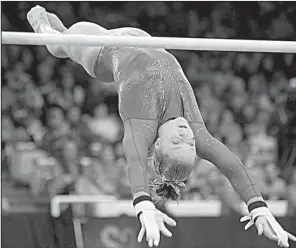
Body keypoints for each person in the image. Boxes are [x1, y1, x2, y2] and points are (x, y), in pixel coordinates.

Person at [27, 6, 296, 248]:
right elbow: (232, 165)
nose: (186, 136)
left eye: (176, 143)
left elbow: (134, 161)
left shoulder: (141, 123)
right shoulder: (194, 130)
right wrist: (258, 206)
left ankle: (41, 24)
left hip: (101, 51)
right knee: (64, 37)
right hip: (144, 39)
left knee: (59, 41)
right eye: (190, 144)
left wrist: (143, 204)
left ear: (156, 144)